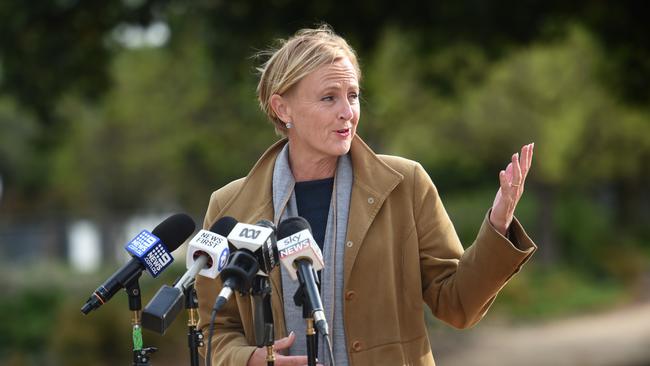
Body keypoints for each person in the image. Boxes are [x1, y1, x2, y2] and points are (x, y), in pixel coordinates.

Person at [195, 25, 536, 366]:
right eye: (329, 97)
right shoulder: (229, 206)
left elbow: (458, 305)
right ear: (283, 109)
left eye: (353, 95)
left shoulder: (406, 184)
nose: (348, 111)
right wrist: (248, 360)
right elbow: (215, 330)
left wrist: (498, 223)